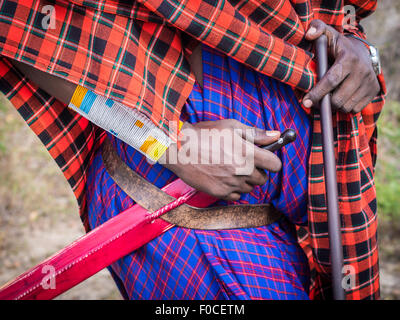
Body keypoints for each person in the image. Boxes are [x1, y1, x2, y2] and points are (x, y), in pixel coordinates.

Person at [0, 0, 386, 299]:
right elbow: (18, 29)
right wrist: (168, 144)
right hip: (175, 194)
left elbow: (333, 17)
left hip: (314, 193)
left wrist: (361, 53)